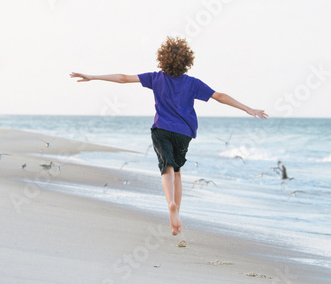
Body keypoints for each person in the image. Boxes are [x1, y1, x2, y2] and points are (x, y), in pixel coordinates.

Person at [70, 36, 268, 236]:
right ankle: (177, 215)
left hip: (162, 129)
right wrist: (247, 108)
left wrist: (93, 76)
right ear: (187, 61)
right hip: (183, 133)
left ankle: (171, 204)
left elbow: (123, 78)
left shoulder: (156, 78)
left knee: (167, 168)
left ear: (163, 59)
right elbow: (219, 97)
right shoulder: (192, 83)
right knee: (178, 173)